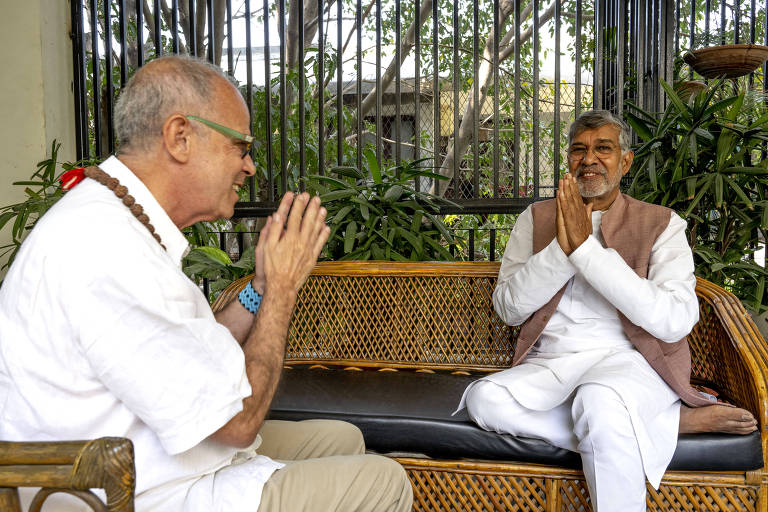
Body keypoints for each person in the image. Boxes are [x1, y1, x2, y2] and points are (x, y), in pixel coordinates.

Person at [0, 55, 412, 511]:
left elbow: (192, 347)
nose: (250, 166)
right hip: (131, 494)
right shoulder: (106, 247)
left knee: (341, 438)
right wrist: (282, 290)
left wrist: (258, 286)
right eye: (241, 147)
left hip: (156, 460)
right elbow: (239, 424)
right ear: (180, 137)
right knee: (382, 482)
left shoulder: (111, 219)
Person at [459, 110, 757, 511]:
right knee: (484, 400)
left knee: (599, 400)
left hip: (631, 362)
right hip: (553, 363)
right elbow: (509, 309)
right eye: (579, 150)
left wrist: (587, 250)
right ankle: (665, 424)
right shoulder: (536, 218)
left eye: (604, 148)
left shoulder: (662, 224)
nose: (590, 159)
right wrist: (565, 248)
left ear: (625, 160)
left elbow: (673, 321)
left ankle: (624, 418)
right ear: (568, 160)